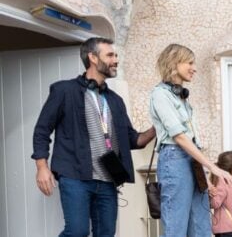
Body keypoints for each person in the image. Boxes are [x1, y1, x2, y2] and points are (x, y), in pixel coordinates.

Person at [31, 37, 156, 237]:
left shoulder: (115, 100)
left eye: (116, 55)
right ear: (93, 58)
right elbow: (42, 130)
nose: (116, 60)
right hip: (75, 176)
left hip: (108, 179)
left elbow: (133, 140)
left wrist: (156, 128)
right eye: (110, 55)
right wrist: (41, 167)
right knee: (77, 232)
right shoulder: (64, 90)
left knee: (106, 234)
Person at [149, 43, 232, 237]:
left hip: (192, 161)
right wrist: (213, 167)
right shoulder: (160, 95)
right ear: (174, 63)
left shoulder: (181, 97)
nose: (194, 68)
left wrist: (204, 177)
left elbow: (191, 140)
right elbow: (179, 137)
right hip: (174, 159)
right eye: (190, 62)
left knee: (201, 227)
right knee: (176, 227)